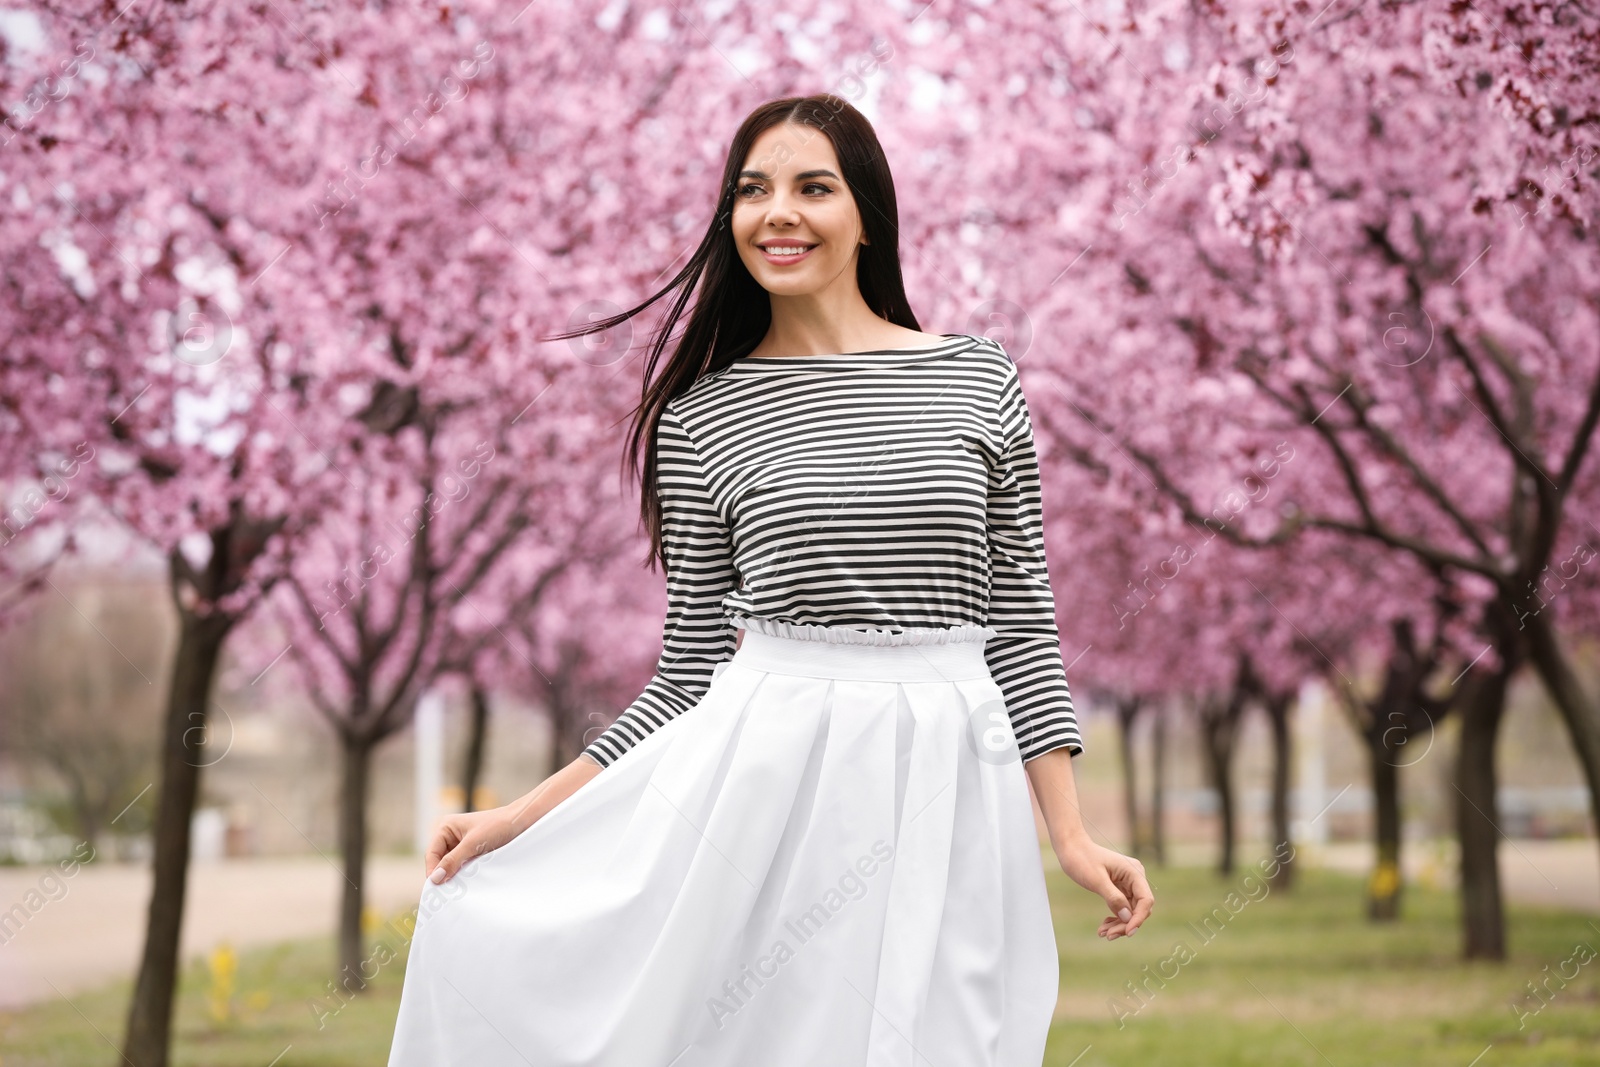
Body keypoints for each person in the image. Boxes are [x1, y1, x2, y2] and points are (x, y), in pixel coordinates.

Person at [386, 93, 1153, 1067]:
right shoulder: (701, 415)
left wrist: (1071, 834)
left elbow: (1022, 622)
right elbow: (686, 674)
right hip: (776, 785)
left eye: (810, 187)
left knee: (953, 1035)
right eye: (751, 191)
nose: (776, 211)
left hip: (959, 775)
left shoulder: (976, 376)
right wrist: (518, 816)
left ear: (866, 213)